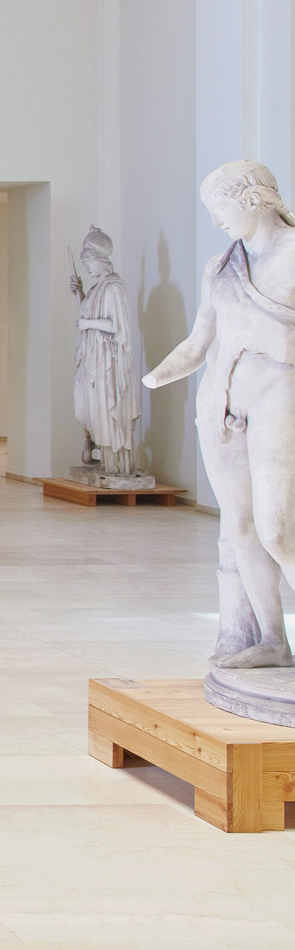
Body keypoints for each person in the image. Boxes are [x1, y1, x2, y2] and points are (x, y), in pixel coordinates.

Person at [146, 162, 295, 669]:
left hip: (280, 394)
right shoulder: (220, 266)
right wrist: (152, 378)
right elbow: (198, 342)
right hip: (220, 405)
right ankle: (273, 640)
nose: (216, 223)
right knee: (241, 528)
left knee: (278, 527)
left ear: (252, 199)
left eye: (220, 209)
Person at [70, 226, 142, 484]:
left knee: (103, 407)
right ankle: (94, 450)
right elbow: (86, 318)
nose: (87, 268)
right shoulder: (96, 289)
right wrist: (79, 295)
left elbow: (117, 327)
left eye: (89, 262)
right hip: (92, 359)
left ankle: (115, 465)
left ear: (101, 260)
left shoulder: (113, 288)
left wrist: (88, 324)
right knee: (84, 406)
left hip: (106, 364)